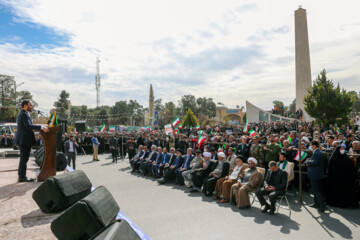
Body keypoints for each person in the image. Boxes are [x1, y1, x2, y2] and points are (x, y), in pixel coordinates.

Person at [16, 100, 49, 182]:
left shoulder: (25, 114)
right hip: (24, 141)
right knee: (24, 159)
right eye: (30, 105)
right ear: (25, 106)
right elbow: (28, 126)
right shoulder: (23, 114)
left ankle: (21, 176)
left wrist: (40, 126)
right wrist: (41, 127)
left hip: (24, 140)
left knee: (24, 159)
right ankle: (22, 177)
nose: (32, 107)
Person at [307, 140, 328, 212]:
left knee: (316, 191)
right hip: (317, 174)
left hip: (315, 174)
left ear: (314, 146)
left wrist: (308, 161)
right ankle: (316, 203)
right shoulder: (318, 152)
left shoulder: (317, 153)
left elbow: (315, 163)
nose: (311, 146)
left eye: (311, 145)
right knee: (316, 190)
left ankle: (323, 205)